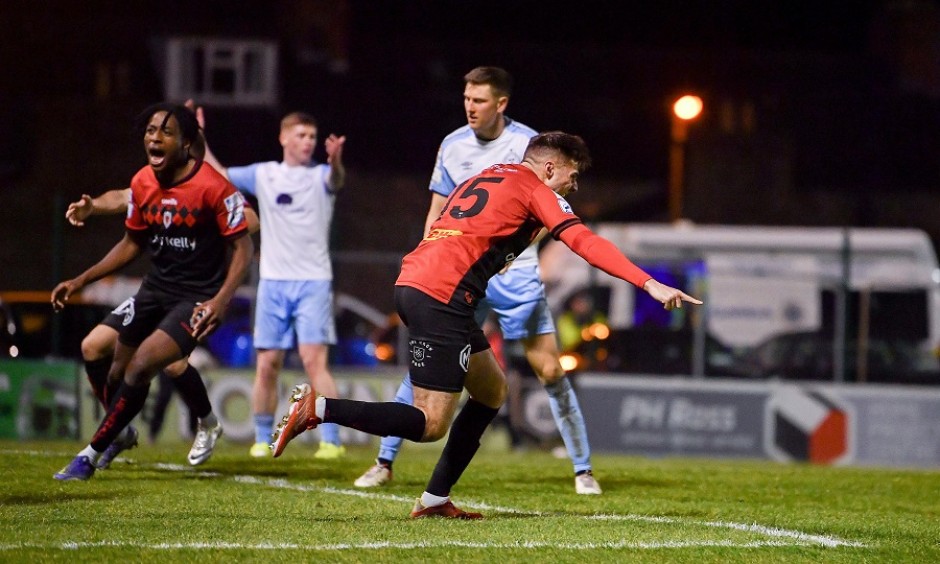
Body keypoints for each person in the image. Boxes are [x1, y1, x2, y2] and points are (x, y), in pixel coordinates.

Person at [270, 131, 702, 519]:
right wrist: (648, 283)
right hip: (443, 295)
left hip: (418, 282)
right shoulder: (537, 190)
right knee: (430, 422)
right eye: (573, 175)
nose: (575, 185)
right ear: (549, 167)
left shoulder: (493, 174)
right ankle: (319, 409)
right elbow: (584, 243)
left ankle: (436, 498)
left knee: (492, 389)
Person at [353, 66, 604, 495]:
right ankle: (384, 462)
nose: (470, 107)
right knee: (425, 368)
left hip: (515, 271)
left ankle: (582, 470)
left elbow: (550, 209)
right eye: (467, 99)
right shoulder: (452, 144)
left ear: (501, 104)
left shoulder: (532, 145)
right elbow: (440, 205)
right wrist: (428, 248)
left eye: (480, 100)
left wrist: (520, 249)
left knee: (548, 368)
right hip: (462, 272)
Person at [52, 103, 254, 480]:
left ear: (186, 144)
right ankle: (122, 428)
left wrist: (220, 300)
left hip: (196, 296)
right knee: (107, 363)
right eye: (149, 130)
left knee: (144, 363)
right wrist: (80, 279)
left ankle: (90, 455)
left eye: (165, 131)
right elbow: (131, 243)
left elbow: (244, 247)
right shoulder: (144, 181)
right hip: (155, 289)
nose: (154, 138)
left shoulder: (213, 186)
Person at [196, 103, 349, 459]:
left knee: (315, 363)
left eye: (312, 136)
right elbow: (217, 172)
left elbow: (336, 180)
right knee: (267, 364)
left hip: (313, 282)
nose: (308, 141)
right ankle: (262, 438)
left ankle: (332, 441)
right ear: (283, 138)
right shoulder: (264, 174)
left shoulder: (321, 176)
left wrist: (337, 159)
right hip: (273, 283)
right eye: (301, 135)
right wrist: (200, 137)